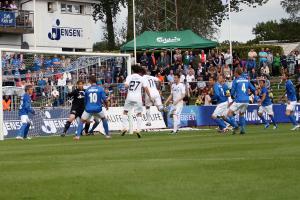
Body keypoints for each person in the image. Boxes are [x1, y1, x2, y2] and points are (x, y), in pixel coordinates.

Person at [74, 76, 110, 140]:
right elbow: (105, 100)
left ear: (90, 81)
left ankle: (77, 136)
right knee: (103, 119)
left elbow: (85, 101)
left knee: (82, 121)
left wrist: (86, 108)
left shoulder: (87, 90)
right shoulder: (100, 89)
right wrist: (107, 106)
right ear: (95, 81)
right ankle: (107, 135)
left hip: (88, 109)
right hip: (98, 109)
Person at [121, 65, 151, 138]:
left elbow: (126, 85)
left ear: (133, 70)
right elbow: (146, 88)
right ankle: (138, 129)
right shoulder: (141, 78)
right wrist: (150, 96)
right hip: (138, 98)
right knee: (139, 113)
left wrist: (128, 87)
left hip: (129, 97)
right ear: (139, 71)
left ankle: (125, 127)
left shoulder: (129, 76)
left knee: (125, 111)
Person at [226, 68, 256, 134]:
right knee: (241, 114)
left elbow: (232, 92)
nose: (234, 74)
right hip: (246, 100)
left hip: (239, 100)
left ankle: (236, 126)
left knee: (229, 113)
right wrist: (249, 94)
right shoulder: (246, 80)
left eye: (234, 72)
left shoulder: (235, 81)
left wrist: (232, 97)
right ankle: (242, 130)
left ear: (236, 73)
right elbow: (253, 89)